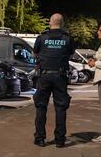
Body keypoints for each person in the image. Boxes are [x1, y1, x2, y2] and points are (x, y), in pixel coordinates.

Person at [32, 13, 75, 147]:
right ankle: (60, 140)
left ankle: (40, 138)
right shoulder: (68, 39)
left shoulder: (42, 37)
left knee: (41, 107)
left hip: (44, 76)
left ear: (50, 23)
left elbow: (35, 53)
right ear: (62, 24)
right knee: (60, 108)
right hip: (60, 76)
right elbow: (71, 53)